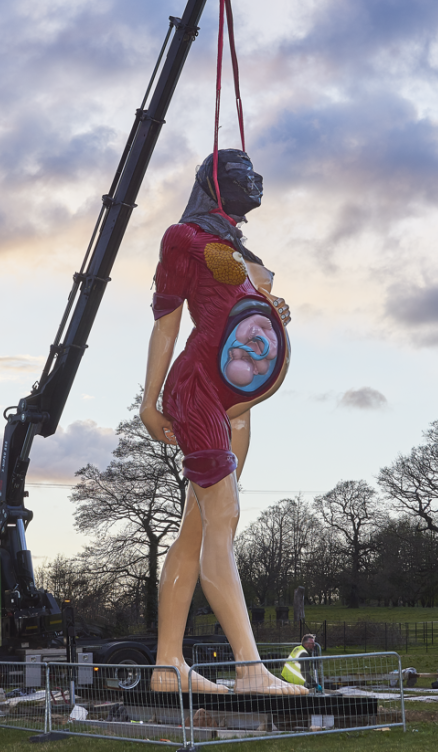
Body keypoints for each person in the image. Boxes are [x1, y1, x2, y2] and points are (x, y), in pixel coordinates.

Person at [142, 149, 303, 696]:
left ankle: (168, 666)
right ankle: (250, 668)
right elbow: (166, 323)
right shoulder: (183, 238)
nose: (256, 180)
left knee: (199, 533)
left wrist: (270, 307)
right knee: (223, 522)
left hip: (237, 407)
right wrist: (149, 402)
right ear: (214, 182)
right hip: (198, 393)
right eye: (242, 174)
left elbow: (242, 312)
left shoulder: (238, 248)